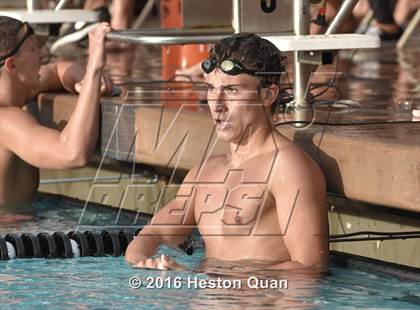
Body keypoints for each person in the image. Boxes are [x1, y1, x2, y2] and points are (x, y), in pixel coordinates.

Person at [125, 33, 329, 271]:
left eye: (231, 90)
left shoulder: (286, 167)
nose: (217, 104)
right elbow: (153, 234)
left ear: (267, 95)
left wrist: (204, 279)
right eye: (211, 89)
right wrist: (143, 262)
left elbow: (310, 267)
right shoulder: (205, 172)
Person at [0, 16, 113, 221]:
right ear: (12, 65)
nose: (43, 54)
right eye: (34, 49)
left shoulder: (16, 94)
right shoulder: (5, 121)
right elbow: (72, 154)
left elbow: (58, 70)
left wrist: (83, 81)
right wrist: (94, 69)